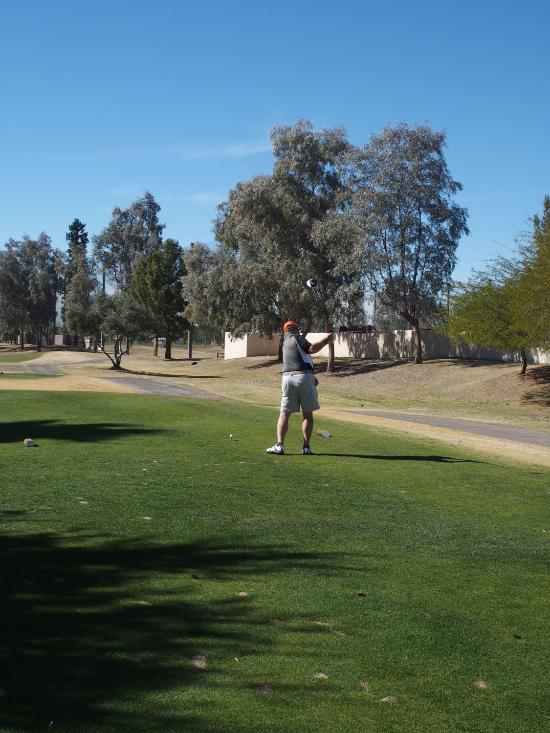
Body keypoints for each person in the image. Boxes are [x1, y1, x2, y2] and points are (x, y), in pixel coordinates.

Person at [266, 320, 333, 455]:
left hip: (287, 378)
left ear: (285, 331)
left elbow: (298, 359)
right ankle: (306, 447)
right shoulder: (298, 337)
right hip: (303, 377)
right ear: (297, 329)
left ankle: (279, 445)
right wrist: (326, 340)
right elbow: (312, 349)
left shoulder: (285, 342)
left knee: (284, 414)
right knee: (307, 415)